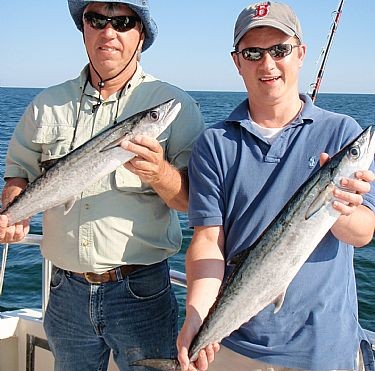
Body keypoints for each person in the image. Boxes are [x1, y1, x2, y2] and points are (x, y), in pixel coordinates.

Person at [0, 0, 204, 370]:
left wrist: (159, 172)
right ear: (84, 28)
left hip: (141, 293)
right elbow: (19, 170)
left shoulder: (175, 105)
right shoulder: (46, 105)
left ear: (141, 35)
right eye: (97, 19)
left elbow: (192, 202)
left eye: (123, 22)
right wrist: (13, 205)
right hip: (64, 295)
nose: (109, 32)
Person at [177, 2, 375, 371]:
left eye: (279, 50)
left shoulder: (342, 132)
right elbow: (208, 240)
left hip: (325, 348)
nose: (267, 64)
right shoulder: (214, 143)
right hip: (234, 347)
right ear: (237, 61)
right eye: (253, 52)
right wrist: (197, 314)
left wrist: (341, 207)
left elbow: (362, 234)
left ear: (300, 55)